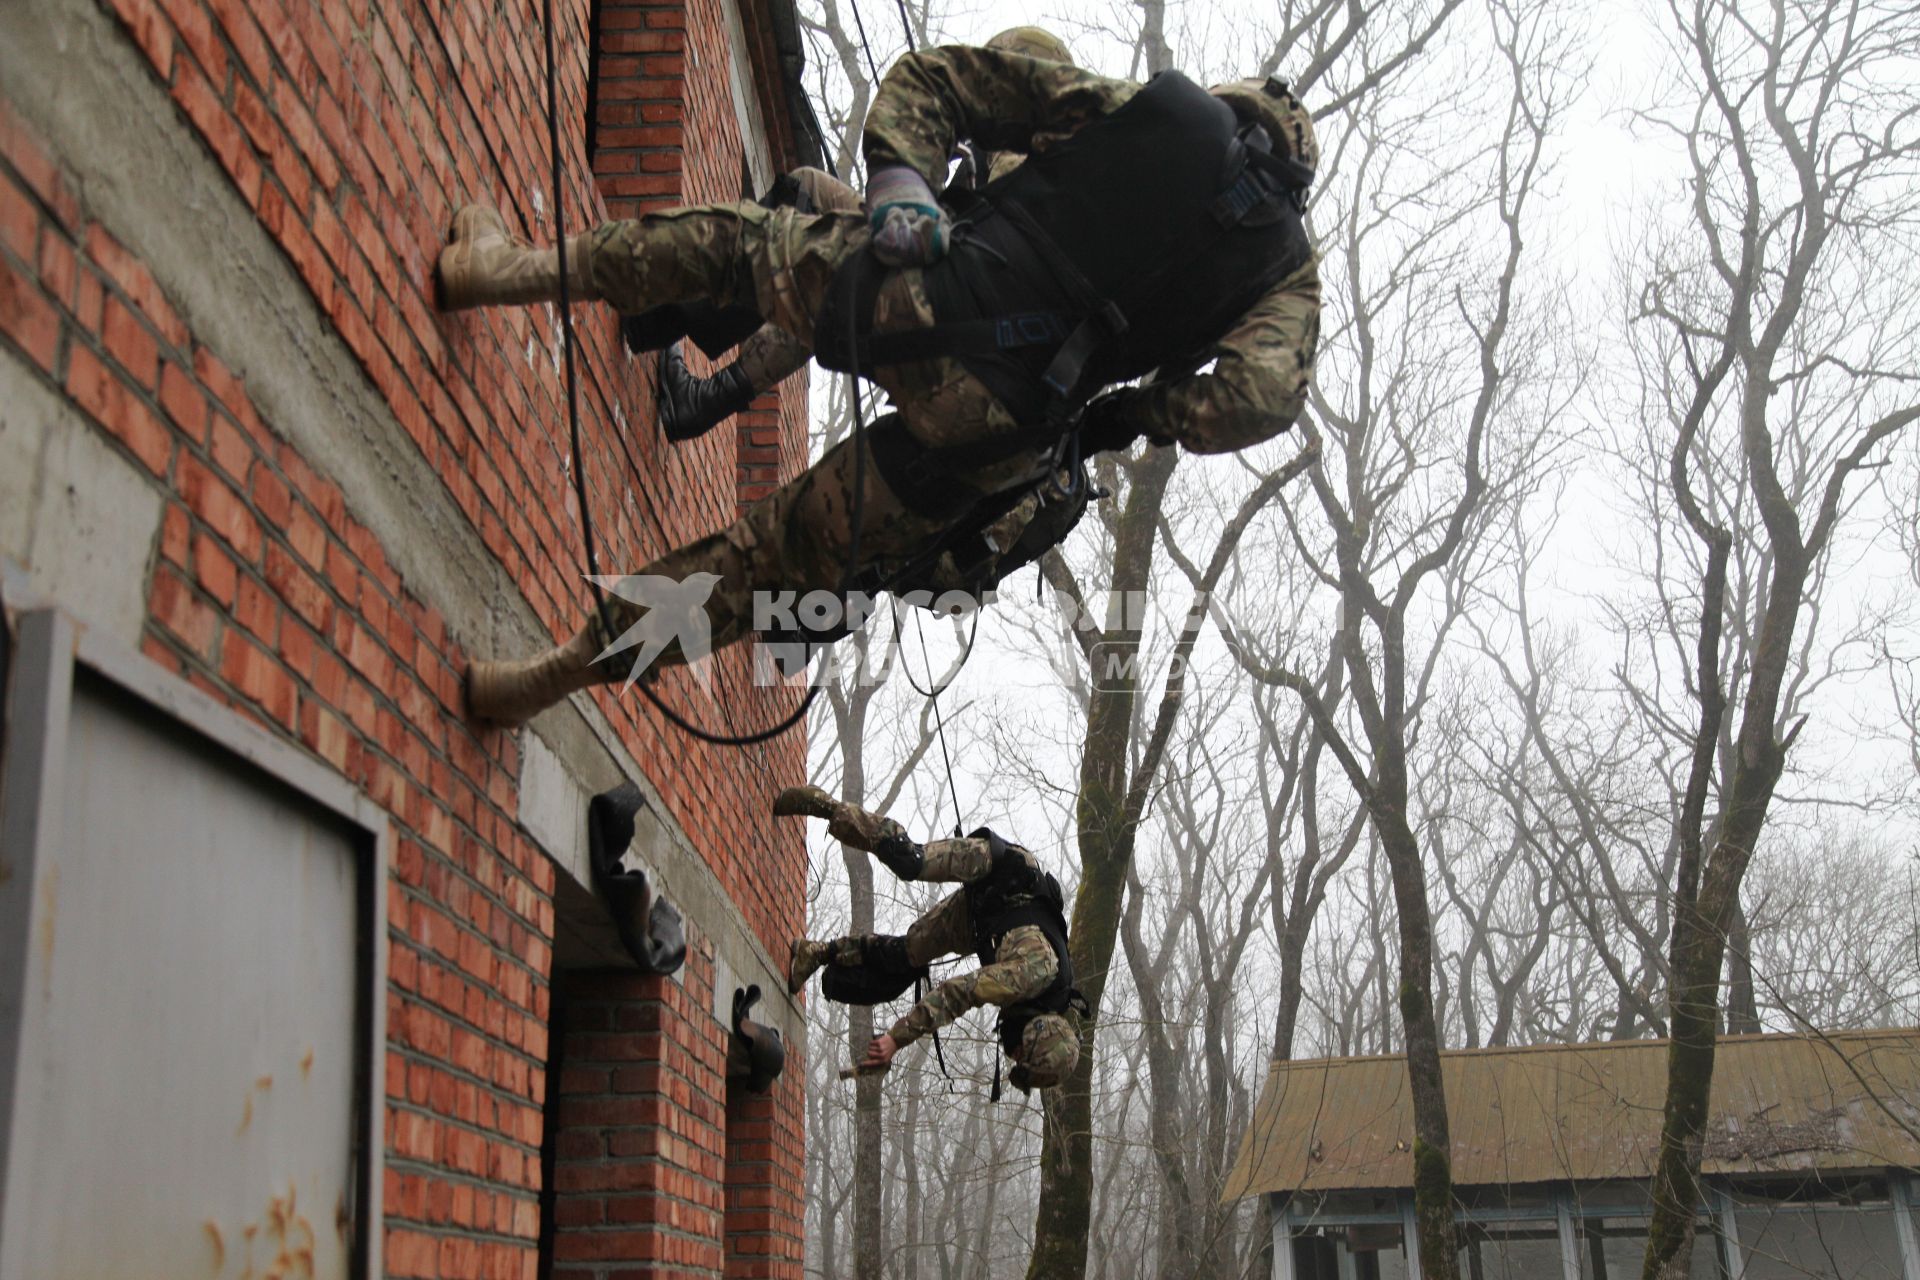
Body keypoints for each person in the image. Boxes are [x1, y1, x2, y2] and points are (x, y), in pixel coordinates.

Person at [438, 39, 1320, 724]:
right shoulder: (1285, 272)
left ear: (1238, 102)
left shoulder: (1164, 112)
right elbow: (1259, 398)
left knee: (730, 249)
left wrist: (905, 181)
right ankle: (545, 680)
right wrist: (1136, 411)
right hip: (996, 438)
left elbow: (944, 80)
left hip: (932, 299)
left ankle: (498, 270)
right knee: (754, 570)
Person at [648, 26, 1079, 444]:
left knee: (818, 222)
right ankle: (695, 386)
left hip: (949, 332)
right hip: (951, 337)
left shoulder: (1024, 159)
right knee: (829, 264)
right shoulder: (1035, 164)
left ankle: (665, 325)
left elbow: (980, 253)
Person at [774, 785, 1082, 1093]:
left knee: (905, 956)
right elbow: (959, 993)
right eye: (1019, 1055)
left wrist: (896, 1039)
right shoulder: (1032, 975)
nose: (1010, 1052)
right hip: (999, 871)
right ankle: (824, 805)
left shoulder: (1040, 999)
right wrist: (896, 1038)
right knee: (909, 860)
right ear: (1036, 1035)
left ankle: (815, 953)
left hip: (983, 920)